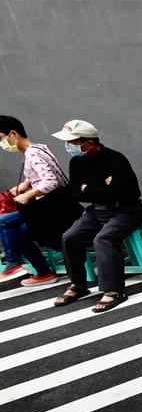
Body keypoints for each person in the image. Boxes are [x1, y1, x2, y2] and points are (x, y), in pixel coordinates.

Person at [53, 120, 142, 312]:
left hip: (126, 210)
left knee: (103, 239)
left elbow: (125, 192)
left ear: (88, 142)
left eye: (73, 142)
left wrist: (89, 188)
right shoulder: (76, 162)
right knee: (70, 237)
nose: (68, 146)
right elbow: (75, 194)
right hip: (97, 210)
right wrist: (102, 188)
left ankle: (114, 290)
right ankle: (78, 284)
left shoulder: (115, 159)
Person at [0, 115, 80, 286]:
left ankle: (14, 263)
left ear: (13, 133)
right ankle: (42, 273)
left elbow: (51, 181)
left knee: (4, 222)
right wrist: (25, 185)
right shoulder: (39, 148)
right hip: (57, 204)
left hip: (54, 208)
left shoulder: (31, 154)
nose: (2, 144)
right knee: (19, 232)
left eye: (1, 138)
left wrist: (27, 195)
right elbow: (42, 173)